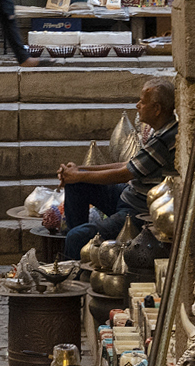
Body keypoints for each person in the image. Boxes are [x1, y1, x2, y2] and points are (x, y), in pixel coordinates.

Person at [59, 78, 176, 253]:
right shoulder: (160, 130)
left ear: (157, 109)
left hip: (138, 211)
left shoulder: (164, 139)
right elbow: (127, 164)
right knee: (76, 184)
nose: (137, 105)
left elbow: (124, 173)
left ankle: (77, 260)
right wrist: (78, 172)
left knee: (76, 237)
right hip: (128, 196)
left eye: (143, 102)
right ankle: (84, 250)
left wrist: (79, 174)